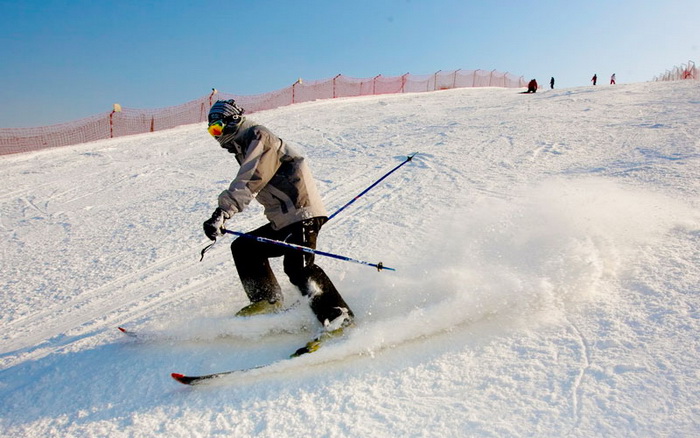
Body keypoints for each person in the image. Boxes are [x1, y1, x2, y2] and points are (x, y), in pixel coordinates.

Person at [202, 99, 354, 333]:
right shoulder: (244, 145)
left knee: (298, 267)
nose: (216, 136)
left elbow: (252, 178)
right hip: (284, 219)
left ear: (232, 122)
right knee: (245, 248)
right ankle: (267, 301)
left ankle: (337, 317)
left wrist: (223, 212)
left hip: (302, 213)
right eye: (212, 131)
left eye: (217, 129)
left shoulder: (259, 138)